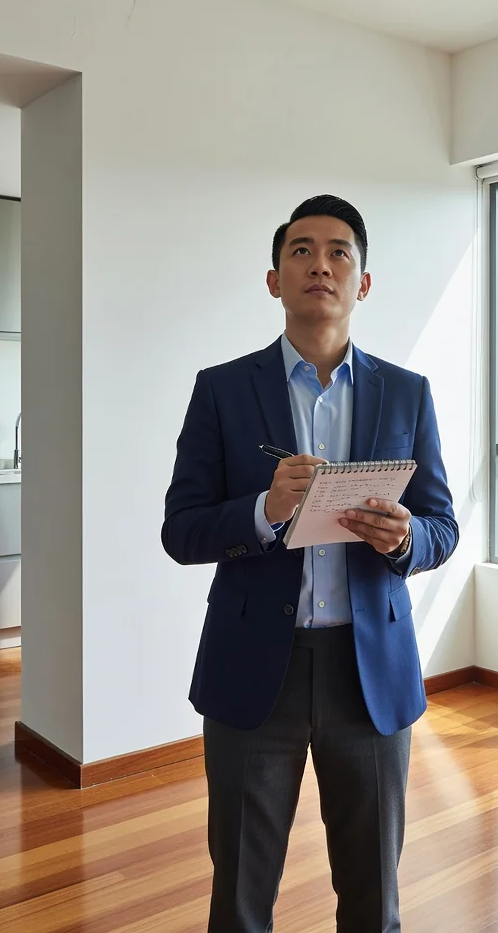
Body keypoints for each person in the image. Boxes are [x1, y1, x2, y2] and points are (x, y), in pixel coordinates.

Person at [162, 194, 458, 933]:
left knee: (372, 897)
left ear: (362, 283)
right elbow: (182, 530)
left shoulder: (408, 392)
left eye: (338, 252)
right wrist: (263, 510)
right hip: (254, 668)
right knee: (239, 893)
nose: (319, 265)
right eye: (300, 251)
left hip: (372, 674)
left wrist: (404, 541)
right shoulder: (222, 390)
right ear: (274, 279)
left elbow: (442, 527)